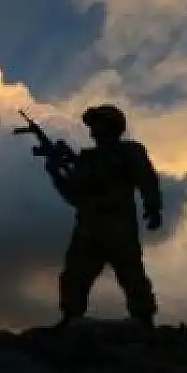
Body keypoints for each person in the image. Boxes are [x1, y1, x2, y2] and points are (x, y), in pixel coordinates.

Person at [44, 104, 162, 329]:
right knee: (75, 272)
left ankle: (143, 316)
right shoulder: (86, 159)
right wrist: (56, 173)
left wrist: (153, 207)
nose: (93, 128)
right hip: (88, 226)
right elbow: (74, 195)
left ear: (112, 126)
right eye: (93, 124)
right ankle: (71, 314)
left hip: (119, 223)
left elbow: (146, 179)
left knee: (130, 271)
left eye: (98, 123)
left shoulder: (129, 152)